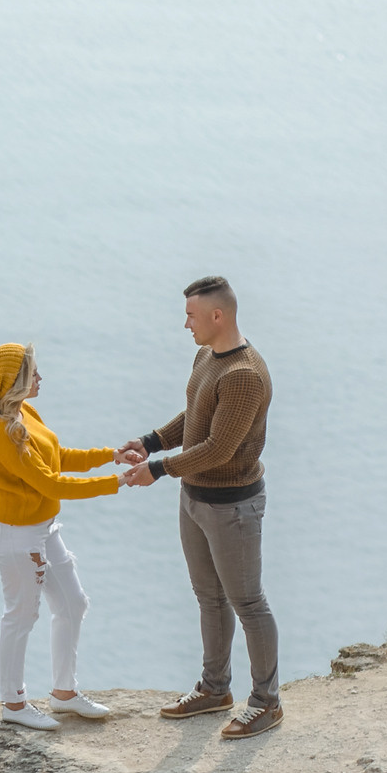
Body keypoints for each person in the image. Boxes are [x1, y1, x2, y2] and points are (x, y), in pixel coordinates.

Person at [116, 275, 280, 739]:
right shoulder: (207, 356)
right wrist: (149, 442)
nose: (184, 323)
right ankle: (215, 689)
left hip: (233, 507)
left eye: (190, 314)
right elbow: (196, 416)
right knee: (208, 598)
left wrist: (159, 468)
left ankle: (266, 702)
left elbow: (219, 447)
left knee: (248, 603)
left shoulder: (244, 374)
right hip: (195, 499)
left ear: (217, 315)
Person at [0, 341, 125, 731]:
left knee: (73, 603)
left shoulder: (24, 413)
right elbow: (51, 483)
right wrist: (117, 483)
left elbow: (57, 456)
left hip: (41, 528)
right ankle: (14, 704)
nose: (40, 378)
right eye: (33, 372)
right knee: (21, 615)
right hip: (16, 536)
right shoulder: (5, 431)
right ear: (15, 381)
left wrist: (110, 455)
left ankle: (64, 694)